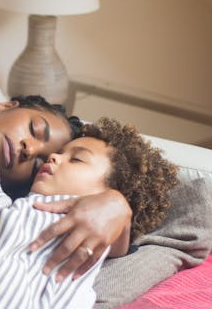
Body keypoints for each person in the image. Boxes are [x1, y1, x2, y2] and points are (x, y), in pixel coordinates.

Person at [0, 96, 134, 282]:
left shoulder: (13, 205)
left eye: (37, 164)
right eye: (34, 129)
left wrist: (117, 204)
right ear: (4, 107)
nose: (29, 150)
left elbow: (116, 248)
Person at [27, 117, 179, 280]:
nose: (53, 156)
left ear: (109, 192)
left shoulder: (106, 234)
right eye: (60, 152)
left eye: (76, 159)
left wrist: (118, 204)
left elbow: (116, 244)